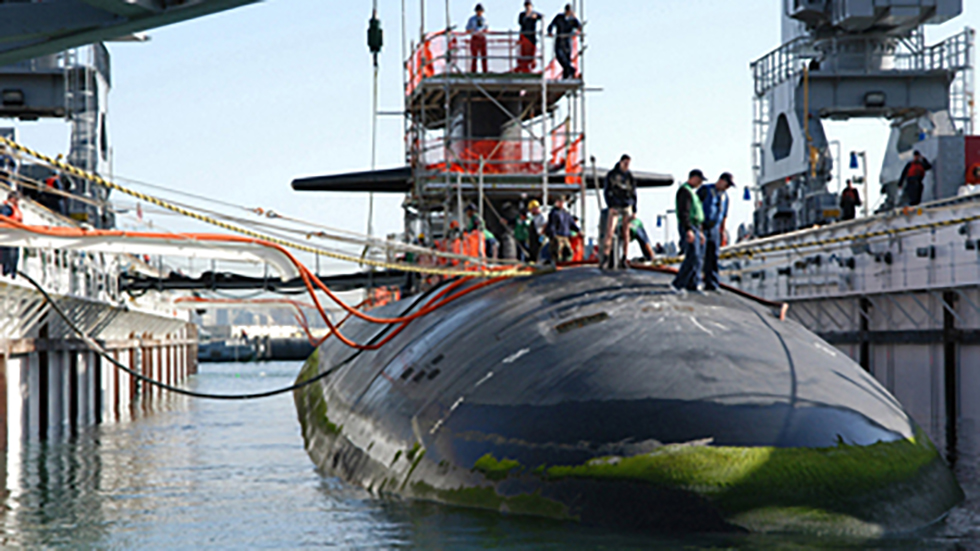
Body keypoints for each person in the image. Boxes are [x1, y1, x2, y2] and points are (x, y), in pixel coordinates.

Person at [697, 172, 734, 292]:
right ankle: (696, 281)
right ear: (721, 181)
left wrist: (722, 231)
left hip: (715, 229)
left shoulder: (725, 197)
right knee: (699, 255)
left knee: (713, 256)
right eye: (727, 184)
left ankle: (712, 282)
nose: (727, 188)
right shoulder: (705, 191)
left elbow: (724, 215)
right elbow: (695, 209)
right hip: (703, 226)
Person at [672, 170, 707, 291]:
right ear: (694, 178)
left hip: (696, 227)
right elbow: (684, 212)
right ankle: (679, 283)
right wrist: (688, 229)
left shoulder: (692, 192)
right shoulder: (685, 191)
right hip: (689, 226)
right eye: (700, 180)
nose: (700, 183)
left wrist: (700, 232)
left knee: (698, 257)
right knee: (692, 256)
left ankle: (693, 283)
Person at [602, 154, 636, 268]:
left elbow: (634, 192)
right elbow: (606, 191)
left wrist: (634, 209)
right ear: (621, 162)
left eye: (628, 164)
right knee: (610, 231)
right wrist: (610, 205)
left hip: (626, 205)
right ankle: (606, 258)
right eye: (625, 163)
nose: (627, 166)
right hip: (615, 205)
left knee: (626, 233)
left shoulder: (630, 176)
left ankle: (624, 258)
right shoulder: (612, 175)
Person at [547, 4, 581, 80]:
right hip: (559, 40)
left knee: (566, 59)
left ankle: (566, 76)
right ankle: (571, 69)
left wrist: (575, 18)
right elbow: (551, 25)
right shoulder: (559, 17)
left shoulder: (572, 20)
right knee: (559, 56)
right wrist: (550, 32)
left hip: (567, 42)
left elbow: (579, 27)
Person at [545, 196, 580, 264]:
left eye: (562, 202)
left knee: (569, 252)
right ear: (556, 202)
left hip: (566, 236)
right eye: (559, 201)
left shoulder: (566, 213)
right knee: (557, 254)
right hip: (558, 236)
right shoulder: (553, 213)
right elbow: (552, 225)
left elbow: (571, 224)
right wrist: (554, 236)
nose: (561, 203)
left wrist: (578, 231)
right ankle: (557, 266)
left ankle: (566, 266)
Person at [1, 192, 23, 278]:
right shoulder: (6, 208)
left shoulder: (15, 209)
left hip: (15, 236)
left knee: (14, 256)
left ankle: (12, 272)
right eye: (16, 199)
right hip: (8, 236)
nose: (18, 201)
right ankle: (6, 272)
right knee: (8, 255)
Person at [516, 1, 543, 73]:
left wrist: (535, 16)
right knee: (524, 53)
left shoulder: (534, 14)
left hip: (531, 37)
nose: (528, 8)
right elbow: (520, 22)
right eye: (526, 7)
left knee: (532, 52)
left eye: (529, 6)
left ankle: (531, 66)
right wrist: (527, 17)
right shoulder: (522, 15)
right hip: (524, 36)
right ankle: (524, 67)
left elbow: (541, 16)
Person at [466, 4, 489, 73]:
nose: (479, 12)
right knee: (474, 56)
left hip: (482, 38)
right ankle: (473, 71)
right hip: (475, 38)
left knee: (484, 56)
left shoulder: (484, 19)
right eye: (478, 11)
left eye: (480, 11)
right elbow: (467, 29)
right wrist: (473, 31)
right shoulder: (472, 19)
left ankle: (485, 71)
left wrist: (483, 32)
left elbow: (486, 29)